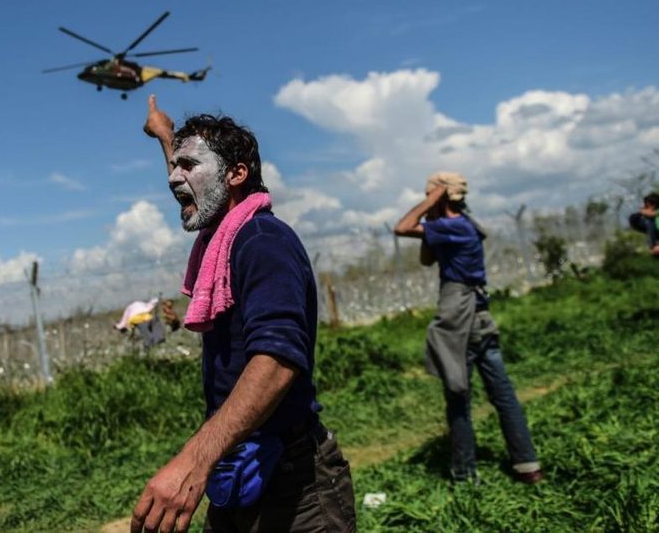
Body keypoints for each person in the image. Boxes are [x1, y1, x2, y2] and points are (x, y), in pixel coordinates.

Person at [131, 95, 355, 533]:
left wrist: (193, 462)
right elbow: (197, 185)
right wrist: (165, 134)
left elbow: (278, 360)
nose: (174, 176)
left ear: (236, 174)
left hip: (295, 488)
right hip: (234, 466)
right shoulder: (223, 237)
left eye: (187, 165)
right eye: (173, 165)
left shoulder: (262, 241)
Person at [394, 172, 542, 486]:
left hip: (460, 325)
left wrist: (430, 203)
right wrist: (433, 218)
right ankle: (527, 465)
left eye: (431, 195)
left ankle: (463, 474)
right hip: (481, 320)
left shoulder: (452, 227)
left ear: (441, 196)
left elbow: (402, 227)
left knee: (458, 398)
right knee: (503, 395)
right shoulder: (462, 226)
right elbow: (426, 260)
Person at [628, 192, 659, 257]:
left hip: (646, 223)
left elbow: (651, 213)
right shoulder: (647, 216)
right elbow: (648, 213)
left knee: (650, 221)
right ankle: (653, 246)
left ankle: (653, 247)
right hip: (637, 220)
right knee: (649, 221)